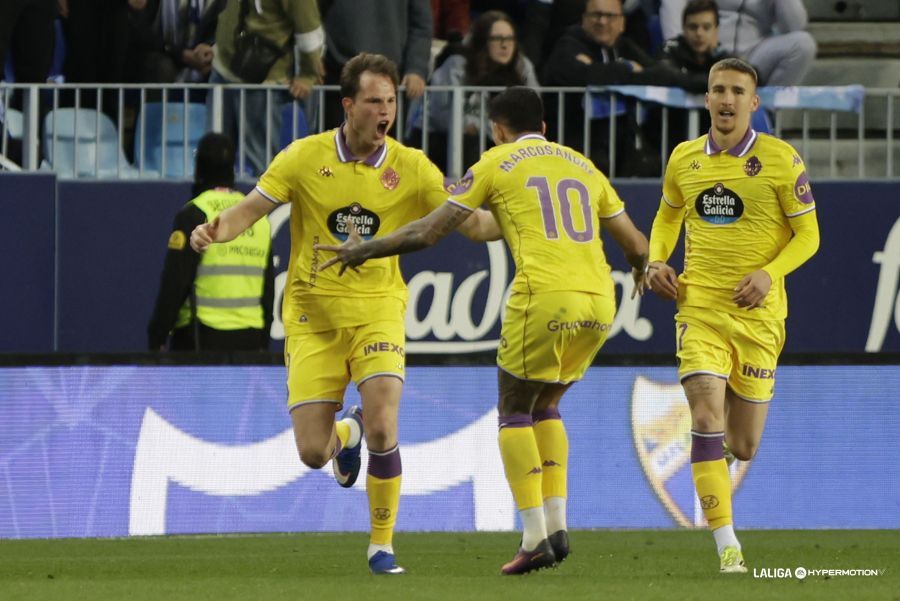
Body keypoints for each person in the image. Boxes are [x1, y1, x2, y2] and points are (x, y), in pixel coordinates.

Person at [314, 86, 650, 575]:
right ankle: (557, 524)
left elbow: (429, 232)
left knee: (515, 409)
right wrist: (641, 267)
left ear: (497, 128)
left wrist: (366, 249)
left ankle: (535, 536)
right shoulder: (582, 165)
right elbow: (636, 242)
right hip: (601, 300)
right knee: (548, 405)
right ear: (546, 126)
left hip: (543, 295)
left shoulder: (496, 161)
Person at [189, 53, 500, 574]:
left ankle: (382, 546)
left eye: (392, 101)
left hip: (378, 310)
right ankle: (344, 436)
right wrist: (212, 231)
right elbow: (249, 211)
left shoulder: (412, 166)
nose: (386, 111)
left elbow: (474, 226)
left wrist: (518, 220)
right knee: (313, 453)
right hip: (312, 319)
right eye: (375, 101)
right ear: (349, 105)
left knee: (383, 422)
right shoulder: (303, 157)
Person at [646, 58, 819, 572]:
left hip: (760, 318)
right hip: (698, 308)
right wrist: (658, 259)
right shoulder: (684, 160)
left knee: (741, 444)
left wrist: (768, 273)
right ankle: (728, 547)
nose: (726, 100)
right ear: (706, 99)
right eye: (717, 90)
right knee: (704, 417)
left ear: (753, 102)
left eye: (736, 92)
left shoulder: (782, 160)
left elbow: (810, 236)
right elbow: (667, 215)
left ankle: (712, 463)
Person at [148, 132, 274, 351]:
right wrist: (262, 342)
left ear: (199, 168)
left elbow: (176, 282)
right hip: (250, 340)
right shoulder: (256, 217)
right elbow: (268, 289)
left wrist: (157, 334)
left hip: (200, 339)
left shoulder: (194, 214)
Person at [541, 0, 679, 176]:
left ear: (622, 23)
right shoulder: (567, 45)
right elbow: (577, 75)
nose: (602, 21)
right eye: (596, 15)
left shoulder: (624, 47)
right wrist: (626, 68)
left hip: (620, 146)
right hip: (574, 147)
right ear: (583, 19)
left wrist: (609, 70)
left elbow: (662, 74)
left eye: (610, 16)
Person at [411, 10, 539, 171]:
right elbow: (439, 113)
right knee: (471, 141)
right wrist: (475, 125)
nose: (505, 45)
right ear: (483, 41)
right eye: (497, 39)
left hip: (499, 139)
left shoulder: (522, 66)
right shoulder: (457, 65)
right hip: (443, 140)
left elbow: (534, 107)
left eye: (509, 38)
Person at [209, 0, 325, 175]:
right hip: (222, 69)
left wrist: (307, 75)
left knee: (260, 164)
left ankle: (262, 202)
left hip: (261, 79)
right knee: (214, 156)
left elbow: (309, 29)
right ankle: (214, 202)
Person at [660, 0, 817, 86]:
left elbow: (794, 26)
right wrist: (679, 47)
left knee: (804, 44)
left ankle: (762, 112)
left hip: (755, 53)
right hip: (708, 51)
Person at [652, 0, 733, 153]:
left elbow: (750, 77)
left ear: (716, 31)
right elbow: (663, 74)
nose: (699, 33)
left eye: (706, 27)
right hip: (667, 141)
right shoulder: (670, 50)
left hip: (712, 144)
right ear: (683, 29)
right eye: (693, 27)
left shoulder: (722, 56)